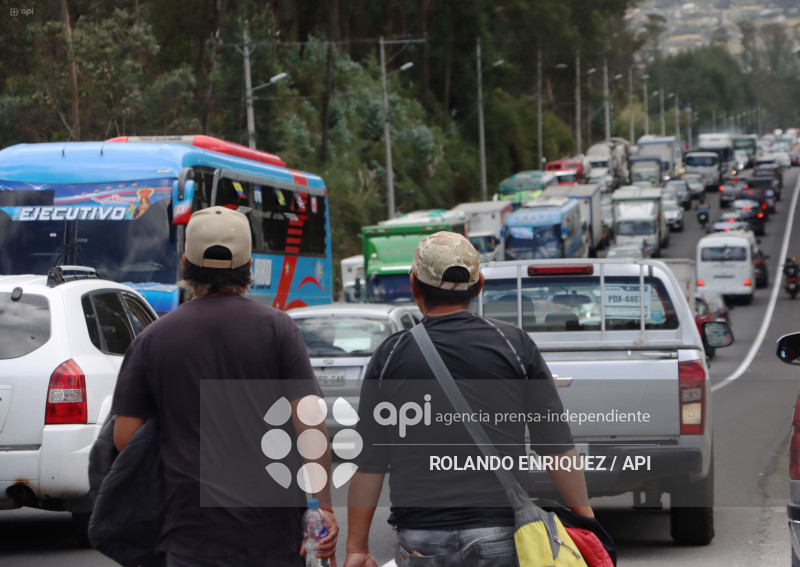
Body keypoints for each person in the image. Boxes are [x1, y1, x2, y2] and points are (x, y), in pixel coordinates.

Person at [343, 231, 593, 567]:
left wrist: (356, 548)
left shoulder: (390, 356)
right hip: (500, 533)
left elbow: (369, 464)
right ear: (479, 286)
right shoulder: (515, 346)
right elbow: (556, 447)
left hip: (420, 536)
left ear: (413, 285)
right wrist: (586, 519)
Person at [111, 206, 338, 567]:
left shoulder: (152, 339)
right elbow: (310, 425)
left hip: (189, 532)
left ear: (185, 262)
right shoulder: (278, 329)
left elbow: (125, 437)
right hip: (272, 532)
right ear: (249, 267)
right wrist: (323, 507)